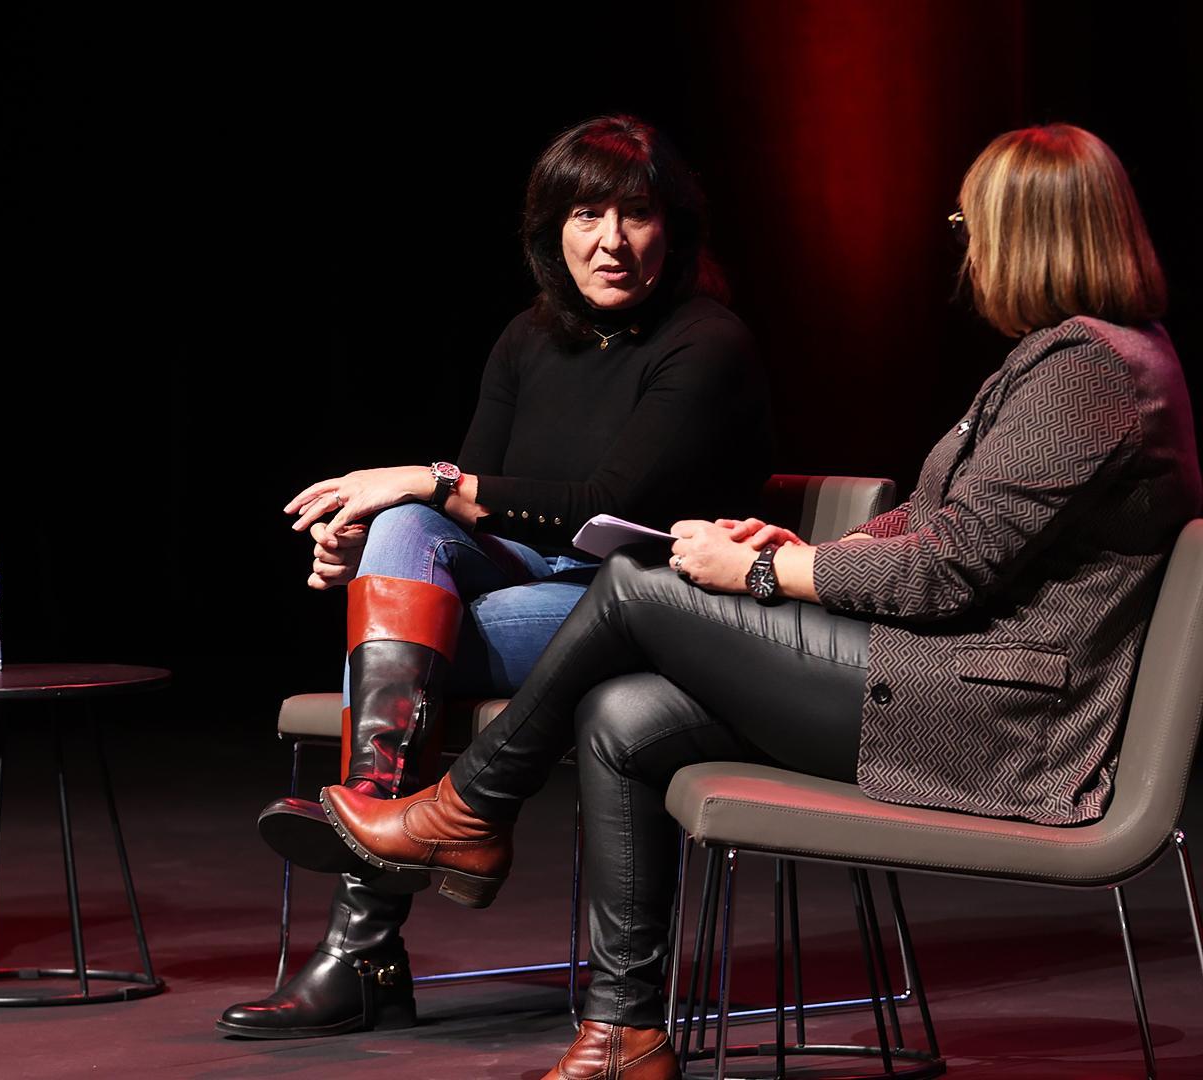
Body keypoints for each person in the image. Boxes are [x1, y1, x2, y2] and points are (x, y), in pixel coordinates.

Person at [318, 123, 1200, 1079]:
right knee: (623, 713)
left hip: (989, 719)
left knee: (635, 585)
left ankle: (471, 806)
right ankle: (625, 1034)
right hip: (943, 678)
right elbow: (934, 525)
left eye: (973, 222)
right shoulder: (1067, 361)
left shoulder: (1089, 373)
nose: (968, 246)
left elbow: (952, 570)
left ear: (1032, 233)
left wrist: (768, 576)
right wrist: (809, 548)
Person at [217, 116, 774, 1040]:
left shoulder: (705, 343)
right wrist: (372, 548)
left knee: (408, 570)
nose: (610, 240)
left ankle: (362, 941)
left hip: (639, 610)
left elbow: (601, 502)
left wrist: (431, 486)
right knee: (401, 527)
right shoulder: (528, 337)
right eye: (586, 214)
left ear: (671, 227)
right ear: (550, 228)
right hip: (527, 598)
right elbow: (464, 512)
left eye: (636, 214)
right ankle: (381, 814)